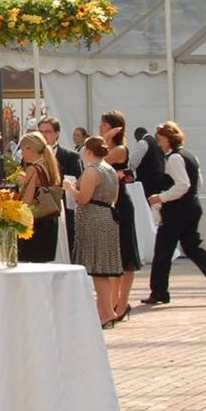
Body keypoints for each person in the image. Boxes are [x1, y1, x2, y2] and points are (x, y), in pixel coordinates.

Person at [142, 122, 206, 306]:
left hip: (177, 210)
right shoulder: (189, 155)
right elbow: (197, 182)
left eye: (160, 140)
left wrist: (161, 197)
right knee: (193, 248)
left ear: (168, 138)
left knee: (163, 251)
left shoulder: (175, 158)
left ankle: (159, 292)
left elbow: (183, 185)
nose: (159, 144)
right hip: (191, 206)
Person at [66, 136, 124, 325]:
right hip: (107, 216)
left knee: (97, 269)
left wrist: (70, 188)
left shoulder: (92, 170)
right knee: (103, 269)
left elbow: (83, 198)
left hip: (93, 219)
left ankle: (106, 312)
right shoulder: (110, 170)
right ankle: (106, 311)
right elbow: (114, 196)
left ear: (88, 151)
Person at [100, 110, 149, 325]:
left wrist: (106, 139)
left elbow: (99, 162)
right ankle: (112, 301)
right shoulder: (108, 147)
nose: (101, 128)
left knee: (125, 254)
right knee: (114, 254)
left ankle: (122, 302)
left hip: (121, 203)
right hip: (109, 200)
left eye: (104, 125)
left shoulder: (119, 149)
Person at [14, 132, 63, 264]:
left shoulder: (33, 169)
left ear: (31, 149)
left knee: (28, 263)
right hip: (49, 220)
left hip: (35, 221)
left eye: (23, 149)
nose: (22, 154)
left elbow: (27, 200)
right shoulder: (48, 165)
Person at [39, 116, 82, 259]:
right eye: (41, 132)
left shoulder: (70, 156)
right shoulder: (31, 156)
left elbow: (78, 180)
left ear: (57, 133)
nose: (44, 135)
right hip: (39, 209)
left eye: (48, 131)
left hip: (63, 206)